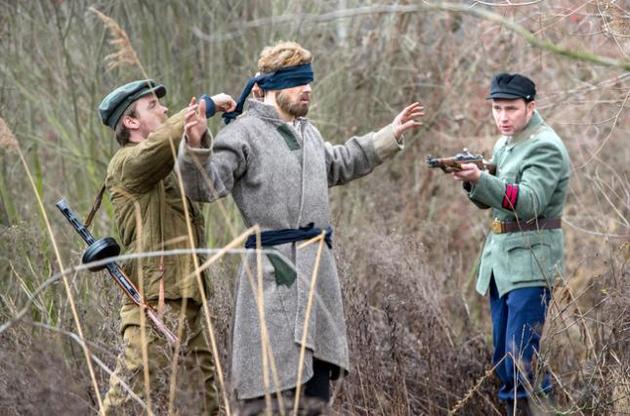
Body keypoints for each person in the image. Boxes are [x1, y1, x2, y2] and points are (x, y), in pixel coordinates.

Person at [176, 41, 424, 414]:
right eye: (296, 82)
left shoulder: (308, 133)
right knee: (270, 391)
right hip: (272, 277)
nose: (306, 89)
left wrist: (390, 134)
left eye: (308, 81)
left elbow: (340, 162)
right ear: (268, 86)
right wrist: (195, 144)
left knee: (314, 395)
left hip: (317, 277)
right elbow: (205, 186)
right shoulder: (242, 134)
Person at [97, 79, 235, 415]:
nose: (164, 109)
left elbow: (206, 182)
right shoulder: (126, 164)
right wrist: (204, 106)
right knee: (128, 396)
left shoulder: (169, 166)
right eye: (153, 106)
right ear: (130, 121)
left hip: (188, 300)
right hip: (151, 303)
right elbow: (157, 149)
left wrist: (197, 138)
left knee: (203, 403)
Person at [451, 73, 570, 415]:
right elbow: (492, 200)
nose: (502, 117)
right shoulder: (506, 143)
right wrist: (473, 180)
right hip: (501, 265)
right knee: (506, 363)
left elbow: (529, 202)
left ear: (531, 107)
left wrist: (481, 178)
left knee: (521, 364)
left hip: (531, 262)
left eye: (511, 109)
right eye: (497, 108)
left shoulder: (545, 146)